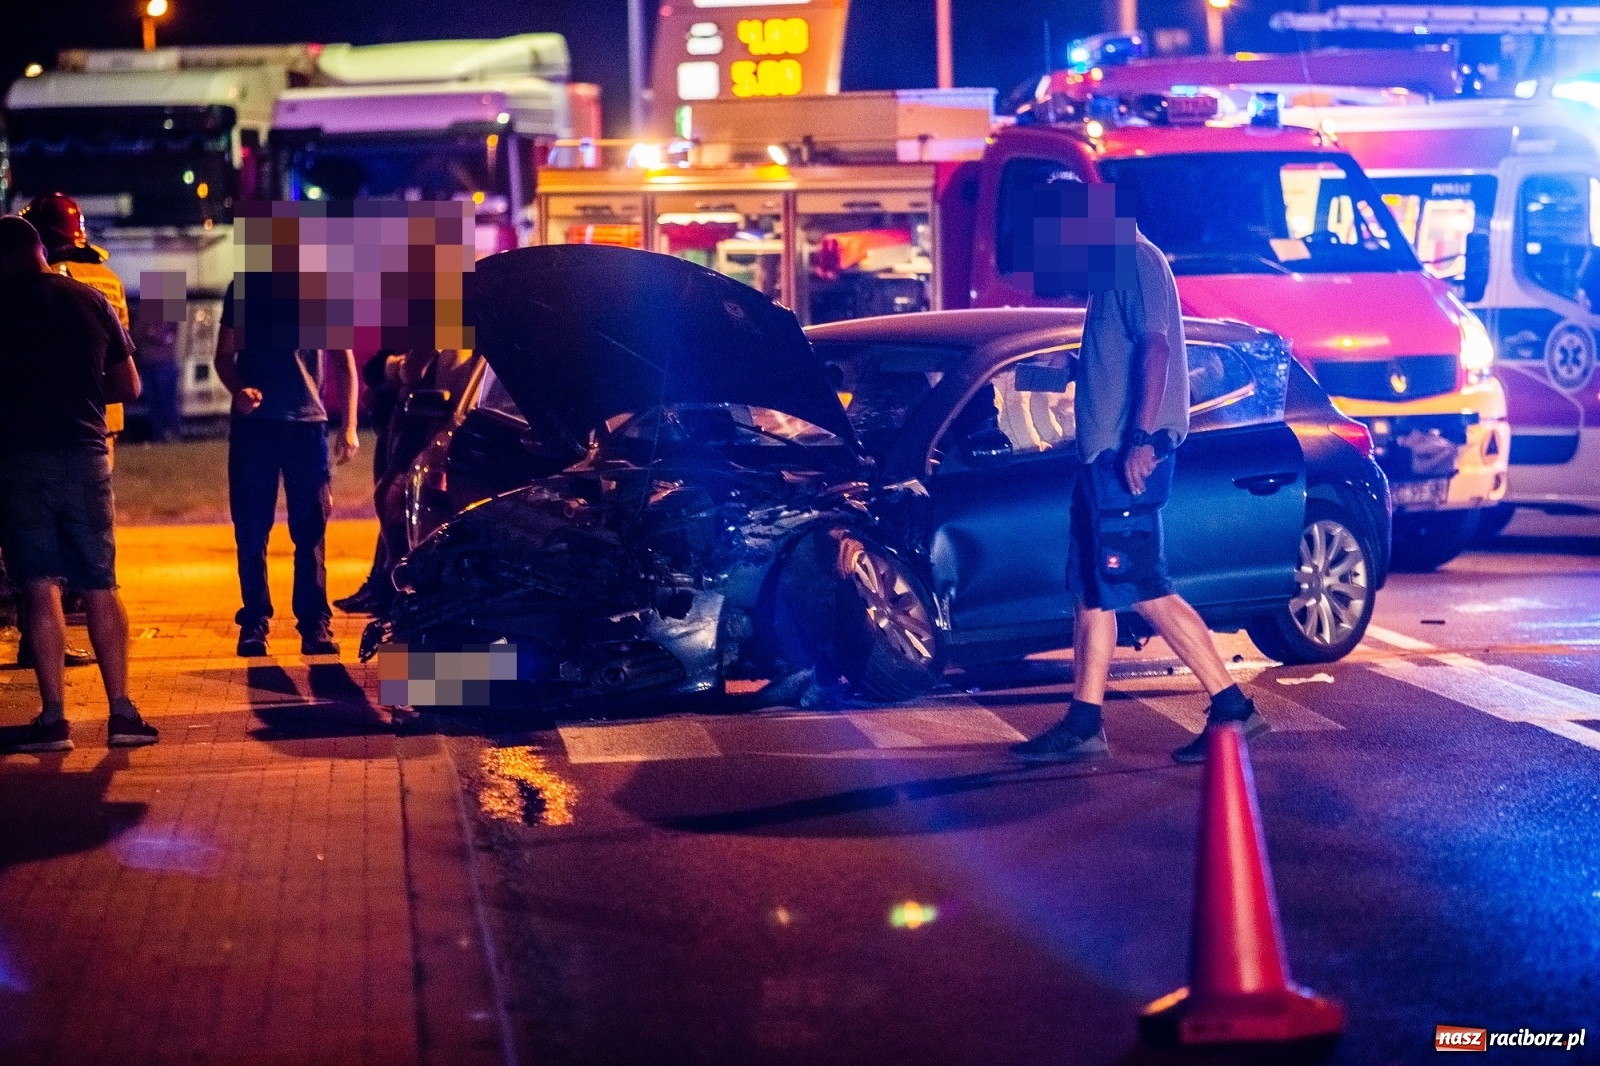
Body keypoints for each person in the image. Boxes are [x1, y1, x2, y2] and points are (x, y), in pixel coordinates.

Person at [1010, 207, 1267, 766]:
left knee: (1144, 583)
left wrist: (1143, 440)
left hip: (1127, 458)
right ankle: (1083, 722)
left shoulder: (1134, 261)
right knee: (1093, 589)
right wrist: (1077, 366)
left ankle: (1232, 706)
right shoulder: (1111, 269)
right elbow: (1124, 356)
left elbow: (1156, 350)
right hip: (1103, 459)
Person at [0, 215, 158, 752]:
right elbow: (129, 385)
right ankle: (122, 713)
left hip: (19, 460)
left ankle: (53, 719)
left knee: (39, 585)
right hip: (86, 453)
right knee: (100, 583)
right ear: (42, 249)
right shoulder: (90, 300)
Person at [214, 279, 358, 657]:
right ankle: (255, 624)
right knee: (251, 527)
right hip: (255, 427)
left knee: (311, 528)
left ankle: (314, 625)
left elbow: (344, 360)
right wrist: (239, 389)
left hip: (308, 428)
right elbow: (224, 356)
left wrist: (351, 426)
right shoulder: (244, 289)